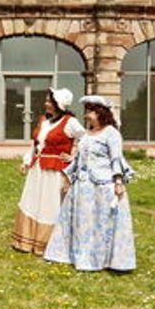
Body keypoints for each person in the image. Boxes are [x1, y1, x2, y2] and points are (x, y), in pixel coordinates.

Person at [43, 95, 136, 272]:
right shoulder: (87, 134)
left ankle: (103, 259)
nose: (86, 115)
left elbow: (116, 158)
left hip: (103, 185)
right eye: (86, 111)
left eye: (90, 111)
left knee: (102, 223)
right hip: (83, 186)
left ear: (100, 113)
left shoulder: (111, 134)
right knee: (83, 223)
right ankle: (81, 256)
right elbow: (79, 158)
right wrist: (68, 177)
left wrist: (118, 182)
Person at [12, 87, 85, 255]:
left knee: (49, 204)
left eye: (49, 101)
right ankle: (26, 241)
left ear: (58, 104)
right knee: (32, 200)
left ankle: (47, 244)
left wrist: (73, 156)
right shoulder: (43, 120)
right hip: (38, 169)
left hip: (54, 171)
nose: (45, 103)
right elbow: (36, 144)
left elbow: (86, 140)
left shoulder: (70, 122)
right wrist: (27, 161)